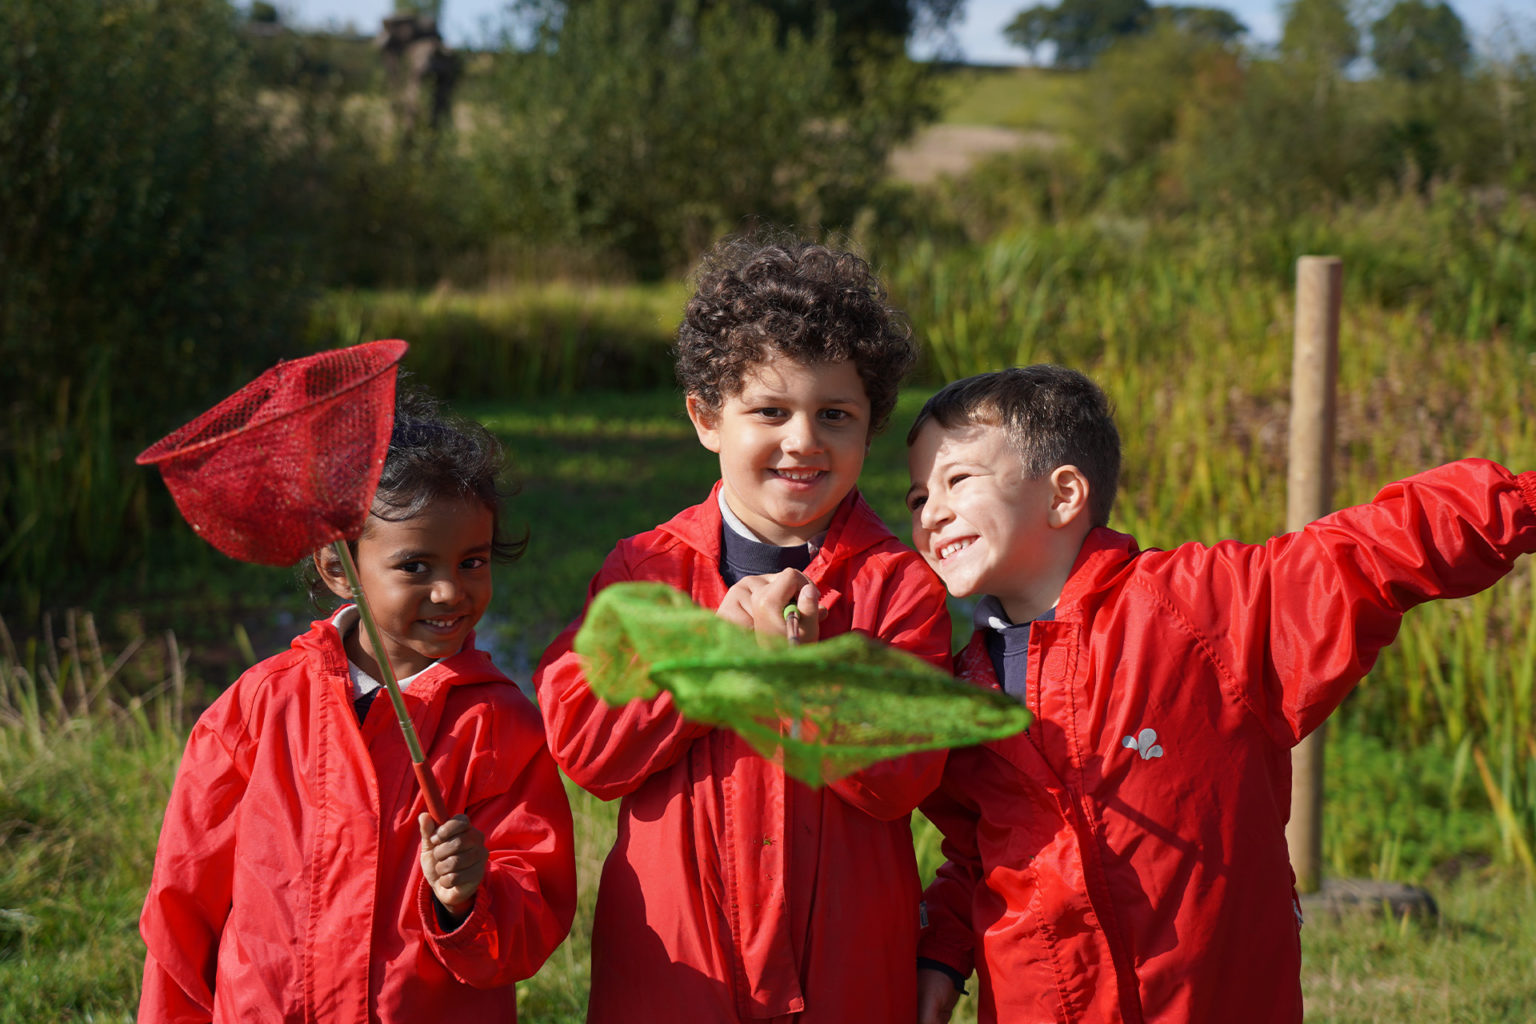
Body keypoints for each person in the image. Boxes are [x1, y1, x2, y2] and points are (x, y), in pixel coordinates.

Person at [903, 364, 1536, 1024]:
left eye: (957, 480)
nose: (932, 512)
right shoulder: (960, 697)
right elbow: (978, 857)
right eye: (919, 497)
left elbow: (1365, 555)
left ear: (1063, 496)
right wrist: (943, 957)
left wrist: (1520, 502)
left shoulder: (1199, 611)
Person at [533, 234, 952, 1023]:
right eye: (769, 411)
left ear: (870, 429)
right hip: (674, 976)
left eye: (835, 415)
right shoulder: (642, 574)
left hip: (844, 975)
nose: (803, 440)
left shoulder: (901, 588)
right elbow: (587, 745)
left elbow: (909, 770)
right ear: (706, 418)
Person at [137, 387, 578, 1023]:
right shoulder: (260, 705)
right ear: (339, 569)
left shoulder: (500, 726)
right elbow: (182, 904)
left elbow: (532, 921)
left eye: (472, 560)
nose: (450, 589)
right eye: (415, 566)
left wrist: (469, 896)